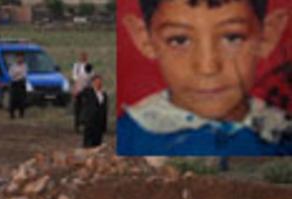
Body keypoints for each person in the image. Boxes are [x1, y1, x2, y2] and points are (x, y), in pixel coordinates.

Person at [118, 0, 291, 156]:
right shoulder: (128, 136)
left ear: (268, 35)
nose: (207, 68)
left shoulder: (283, 132)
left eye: (232, 38)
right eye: (179, 40)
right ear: (145, 39)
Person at [80, 74, 108, 148]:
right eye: (96, 81)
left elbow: (104, 109)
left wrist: (104, 123)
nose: (99, 83)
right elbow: (79, 95)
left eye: (100, 81)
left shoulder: (104, 94)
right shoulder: (88, 92)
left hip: (100, 121)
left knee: (97, 143)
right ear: (93, 82)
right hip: (90, 120)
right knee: (88, 143)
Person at [72, 63, 93, 132]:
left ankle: (76, 126)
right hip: (85, 94)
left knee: (77, 111)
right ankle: (85, 124)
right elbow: (90, 87)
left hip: (78, 94)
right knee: (86, 111)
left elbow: (76, 84)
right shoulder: (90, 76)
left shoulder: (80, 75)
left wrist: (74, 93)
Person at [8, 52, 28, 119]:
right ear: (16, 58)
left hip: (21, 84)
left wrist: (17, 74)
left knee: (21, 100)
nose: (20, 59)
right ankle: (12, 115)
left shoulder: (24, 65)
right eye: (19, 57)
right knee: (13, 100)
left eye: (21, 57)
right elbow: (11, 75)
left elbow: (24, 75)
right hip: (14, 84)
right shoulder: (13, 66)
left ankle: (21, 115)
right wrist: (18, 74)